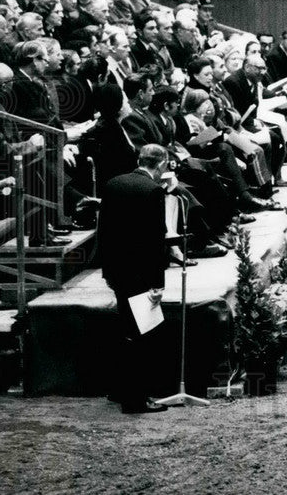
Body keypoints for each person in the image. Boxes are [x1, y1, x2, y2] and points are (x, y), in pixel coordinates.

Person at [98, 144, 171, 414]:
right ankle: (135, 398)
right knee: (141, 335)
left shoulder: (113, 184)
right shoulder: (153, 191)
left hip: (117, 270)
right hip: (140, 272)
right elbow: (155, 242)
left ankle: (119, 389)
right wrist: (158, 282)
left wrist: (106, 270)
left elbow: (103, 231)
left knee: (125, 328)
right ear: (161, 164)